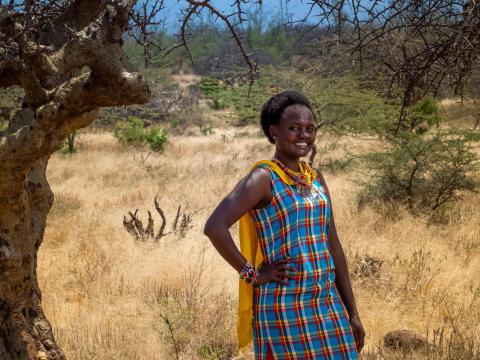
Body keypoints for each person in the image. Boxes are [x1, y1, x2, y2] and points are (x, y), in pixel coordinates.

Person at [204, 90, 365, 359]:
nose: (304, 135)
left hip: (326, 302)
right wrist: (253, 275)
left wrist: (353, 313)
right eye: (294, 128)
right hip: (284, 305)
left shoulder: (315, 178)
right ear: (274, 132)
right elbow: (214, 227)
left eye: (310, 129)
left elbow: (333, 244)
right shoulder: (263, 178)